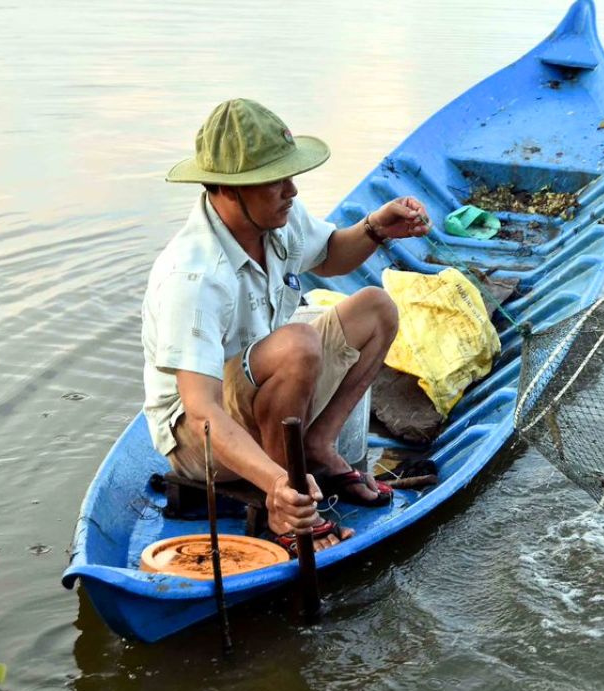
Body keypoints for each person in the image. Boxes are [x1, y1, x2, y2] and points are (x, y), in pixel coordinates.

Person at [141, 98, 430, 552]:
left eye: (289, 176)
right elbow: (201, 413)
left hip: (263, 395)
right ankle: (287, 498)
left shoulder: (279, 220)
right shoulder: (193, 277)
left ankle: (317, 446)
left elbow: (333, 254)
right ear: (228, 190)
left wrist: (377, 227)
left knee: (376, 308)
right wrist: (277, 483)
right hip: (199, 443)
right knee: (298, 344)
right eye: (274, 182)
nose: (291, 190)